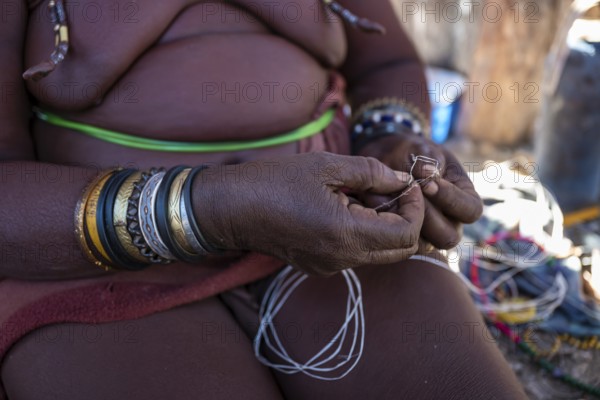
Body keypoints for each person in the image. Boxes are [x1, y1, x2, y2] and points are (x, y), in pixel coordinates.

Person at [0, 0, 528, 398]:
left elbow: (385, 63)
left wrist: (391, 141)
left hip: (335, 223)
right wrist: (216, 212)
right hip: (86, 256)